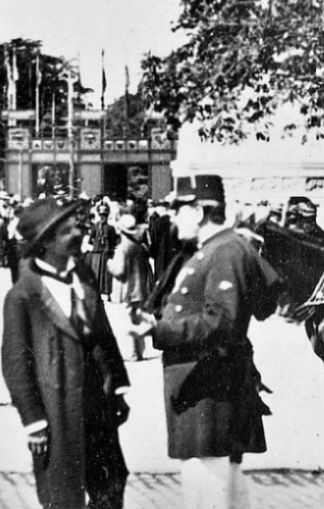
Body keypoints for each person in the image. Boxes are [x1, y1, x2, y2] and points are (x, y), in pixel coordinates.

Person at [131, 174, 282, 509]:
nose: (172, 217)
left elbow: (222, 321)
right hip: (203, 389)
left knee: (207, 490)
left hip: (209, 391)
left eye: (178, 208)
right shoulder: (216, 249)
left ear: (199, 210)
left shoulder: (225, 250)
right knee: (220, 491)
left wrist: (159, 330)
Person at [2, 197, 131, 509]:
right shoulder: (23, 294)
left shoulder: (83, 275)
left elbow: (104, 335)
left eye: (77, 227)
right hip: (56, 411)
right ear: (45, 242)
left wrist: (118, 387)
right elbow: (15, 363)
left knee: (110, 486)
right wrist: (33, 420)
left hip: (97, 404)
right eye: (67, 231)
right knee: (61, 492)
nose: (78, 234)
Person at [108, 213, 153, 361]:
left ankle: (132, 353)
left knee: (127, 322)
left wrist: (110, 265)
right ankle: (140, 351)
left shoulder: (122, 249)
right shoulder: (140, 247)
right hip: (139, 289)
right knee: (137, 320)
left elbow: (119, 271)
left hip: (126, 290)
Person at [83, 204, 117, 300]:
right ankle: (100, 293)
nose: (103, 217)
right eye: (102, 215)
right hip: (100, 253)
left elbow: (90, 240)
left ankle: (106, 293)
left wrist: (98, 244)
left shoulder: (108, 228)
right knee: (99, 273)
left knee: (104, 274)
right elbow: (90, 240)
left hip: (103, 253)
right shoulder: (101, 227)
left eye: (104, 215)